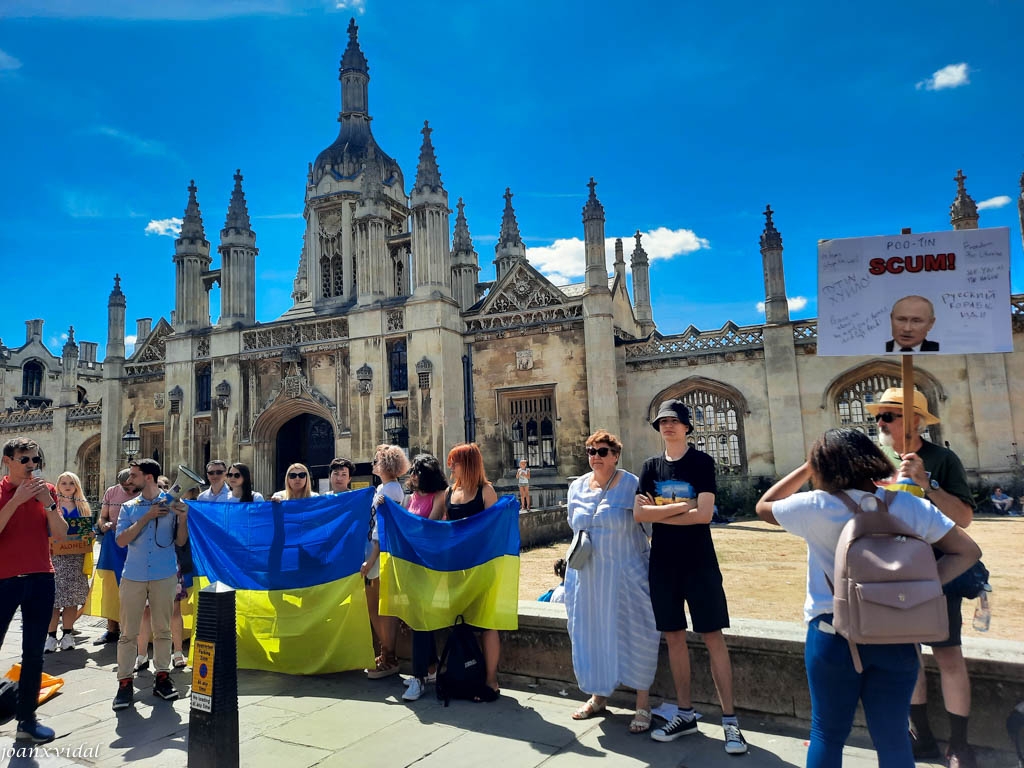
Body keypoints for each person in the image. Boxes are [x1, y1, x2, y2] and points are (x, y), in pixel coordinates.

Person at [755, 428, 981, 768]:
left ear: (823, 467)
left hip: (833, 632)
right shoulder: (907, 504)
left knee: (827, 735)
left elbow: (763, 505)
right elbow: (967, 551)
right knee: (892, 736)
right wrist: (925, 587)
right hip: (897, 631)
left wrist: (806, 467)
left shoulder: (814, 506)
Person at [865, 387, 979, 767]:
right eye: (879, 416)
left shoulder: (942, 459)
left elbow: (963, 518)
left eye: (889, 415)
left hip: (937, 570)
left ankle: (959, 745)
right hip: (892, 571)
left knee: (947, 655)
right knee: (907, 656)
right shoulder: (876, 461)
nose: (880, 423)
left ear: (915, 420)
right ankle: (922, 737)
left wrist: (927, 484)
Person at [634, 399, 747, 754]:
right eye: (662, 421)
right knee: (674, 638)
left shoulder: (701, 462)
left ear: (686, 427)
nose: (667, 426)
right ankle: (685, 714)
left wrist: (663, 510)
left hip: (699, 560)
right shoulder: (650, 467)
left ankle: (730, 722)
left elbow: (705, 516)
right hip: (663, 562)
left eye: (674, 421)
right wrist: (685, 506)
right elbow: (639, 516)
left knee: (713, 636)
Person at [565, 430, 660, 734]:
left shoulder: (632, 484)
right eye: (591, 451)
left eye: (602, 451)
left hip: (626, 578)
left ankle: (642, 704)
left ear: (616, 455)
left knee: (638, 635)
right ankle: (598, 696)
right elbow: (574, 526)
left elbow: (650, 528)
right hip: (588, 580)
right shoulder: (577, 487)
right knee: (592, 635)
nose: (595, 457)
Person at [0, 437, 68, 744]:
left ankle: (26, 720)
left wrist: (49, 505)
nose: (31, 465)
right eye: (24, 459)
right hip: (5, 580)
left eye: (34, 460)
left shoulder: (48, 490)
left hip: (42, 578)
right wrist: (16, 500)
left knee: (34, 654)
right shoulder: (1, 491)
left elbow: (61, 534)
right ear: (8, 461)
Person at [112, 458, 189, 711]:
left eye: (133, 475)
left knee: (163, 629)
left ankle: (163, 677)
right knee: (128, 633)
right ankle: (124, 683)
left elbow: (179, 542)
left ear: (148, 477)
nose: (128, 479)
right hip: (133, 574)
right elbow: (121, 540)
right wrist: (147, 517)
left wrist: (184, 518)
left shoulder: (171, 502)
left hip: (164, 573)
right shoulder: (129, 507)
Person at [445, 442, 501, 701]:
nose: (450, 466)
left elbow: (495, 529)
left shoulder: (486, 491)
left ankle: (490, 679)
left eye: (454, 461)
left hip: (481, 565)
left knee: (487, 623)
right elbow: (443, 527)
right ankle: (466, 676)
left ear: (466, 464)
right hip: (456, 567)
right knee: (460, 622)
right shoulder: (450, 492)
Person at [401, 453, 449, 702]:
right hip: (412, 564)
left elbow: (429, 528)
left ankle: (418, 677)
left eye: (418, 472)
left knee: (421, 621)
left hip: (431, 565)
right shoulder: (410, 497)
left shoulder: (440, 496)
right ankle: (432, 667)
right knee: (419, 620)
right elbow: (403, 524)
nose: (413, 476)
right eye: (413, 472)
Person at [361, 444, 410, 680]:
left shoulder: (391, 490)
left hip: (380, 553)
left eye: (377, 460)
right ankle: (385, 653)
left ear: (386, 465)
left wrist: (371, 560)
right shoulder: (383, 487)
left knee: (382, 608)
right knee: (374, 607)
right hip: (373, 549)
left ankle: (389, 657)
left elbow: (384, 529)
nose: (373, 464)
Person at [45, 471, 93, 652]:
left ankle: (67, 634)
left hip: (75, 557)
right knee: (54, 599)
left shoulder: (82, 506)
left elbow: (88, 530)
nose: (67, 486)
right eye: (63, 482)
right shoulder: (51, 505)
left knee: (71, 598)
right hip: (54, 556)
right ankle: (50, 637)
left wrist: (91, 535)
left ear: (76, 486)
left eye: (71, 483)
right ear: (57, 486)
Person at [88, 468, 136, 645]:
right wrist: (104, 524)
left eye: (132, 487)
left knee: (133, 587)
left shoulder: (145, 493)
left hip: (136, 544)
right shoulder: (111, 492)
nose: (129, 491)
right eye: (125, 488)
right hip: (112, 543)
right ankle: (111, 629)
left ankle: (133, 630)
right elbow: (102, 518)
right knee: (110, 586)